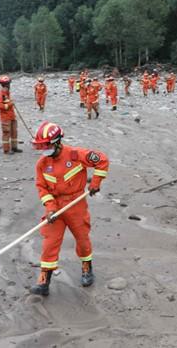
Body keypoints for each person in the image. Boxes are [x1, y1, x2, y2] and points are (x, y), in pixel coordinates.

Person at [31, 121, 109, 295]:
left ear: (57, 142)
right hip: (55, 208)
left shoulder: (75, 155)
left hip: (76, 204)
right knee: (49, 243)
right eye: (41, 146)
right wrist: (50, 208)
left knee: (82, 238)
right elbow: (41, 187)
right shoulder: (42, 164)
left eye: (46, 145)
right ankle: (44, 280)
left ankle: (87, 268)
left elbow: (102, 160)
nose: (44, 149)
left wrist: (95, 183)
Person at [0, 75, 22, 154]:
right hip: (5, 118)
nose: (9, 86)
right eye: (8, 84)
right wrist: (10, 104)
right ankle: (6, 150)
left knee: (14, 132)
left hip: (12, 117)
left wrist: (10, 103)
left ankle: (14, 148)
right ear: (6, 85)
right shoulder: (0, 95)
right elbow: (0, 106)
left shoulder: (7, 93)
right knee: (6, 133)